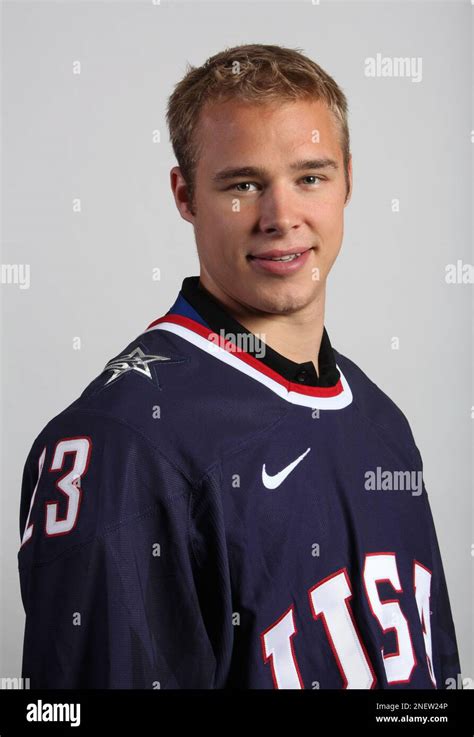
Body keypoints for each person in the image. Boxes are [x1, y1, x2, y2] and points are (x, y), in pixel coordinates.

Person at [18, 44, 461, 689]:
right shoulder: (123, 442)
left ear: (347, 182)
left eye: (310, 177)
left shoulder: (381, 421)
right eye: (243, 184)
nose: (282, 218)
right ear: (185, 195)